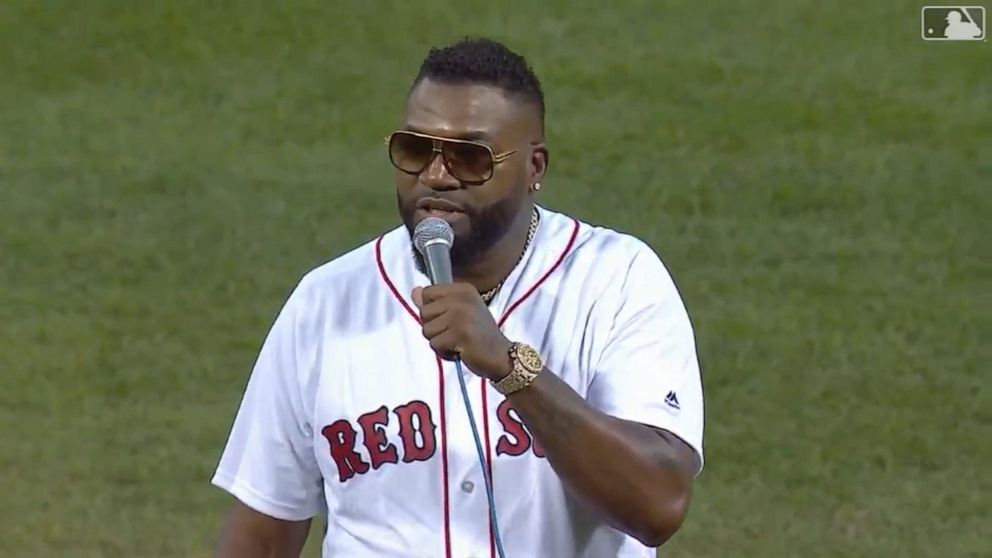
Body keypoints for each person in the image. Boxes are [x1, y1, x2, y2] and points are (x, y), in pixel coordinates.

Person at [211, 37, 704, 558]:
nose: (436, 175)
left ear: (535, 167)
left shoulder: (615, 280)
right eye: (415, 150)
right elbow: (262, 533)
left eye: (471, 158)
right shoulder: (326, 304)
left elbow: (658, 504)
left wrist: (514, 370)